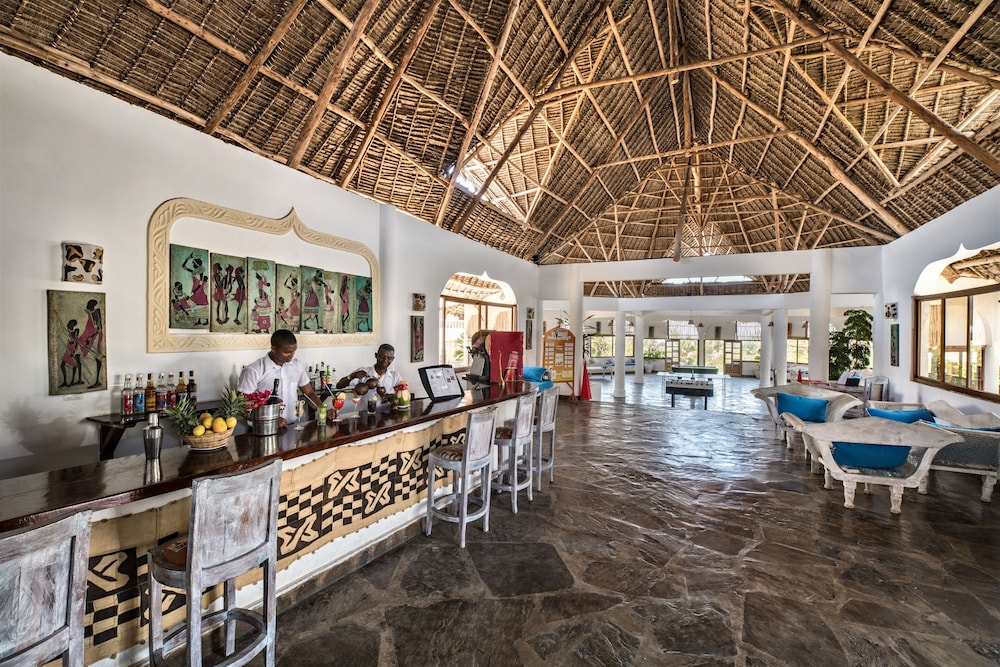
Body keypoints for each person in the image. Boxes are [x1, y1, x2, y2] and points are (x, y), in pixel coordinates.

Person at [238, 329, 321, 426]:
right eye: (287, 352)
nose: (291, 356)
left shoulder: (296, 366)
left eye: (293, 352)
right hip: (263, 429)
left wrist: (322, 410)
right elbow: (241, 406)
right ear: (273, 349)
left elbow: (309, 393)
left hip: (291, 427)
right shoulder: (254, 370)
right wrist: (270, 420)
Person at [336, 343, 404, 394]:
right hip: (364, 409)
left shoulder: (395, 376)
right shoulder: (362, 372)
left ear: (392, 359)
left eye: (389, 358)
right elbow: (339, 386)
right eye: (382, 356)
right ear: (376, 355)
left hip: (387, 409)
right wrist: (352, 376)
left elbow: (403, 392)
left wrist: (390, 397)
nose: (385, 360)